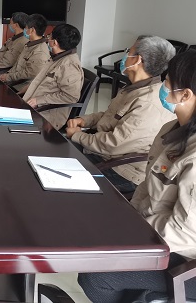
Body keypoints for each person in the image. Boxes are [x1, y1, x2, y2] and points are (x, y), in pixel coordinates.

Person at [78, 50, 196, 302]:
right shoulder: (171, 130)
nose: (162, 87)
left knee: (95, 276)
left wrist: (133, 234)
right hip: (155, 232)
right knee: (93, 234)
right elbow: (147, 185)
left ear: (185, 95)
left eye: (167, 82)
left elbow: (185, 232)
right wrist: (129, 220)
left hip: (185, 257)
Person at [66, 35, 176, 193]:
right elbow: (111, 115)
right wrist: (85, 120)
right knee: (57, 150)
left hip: (122, 170)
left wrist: (77, 135)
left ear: (137, 59)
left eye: (128, 51)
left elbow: (114, 144)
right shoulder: (135, 87)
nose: (125, 56)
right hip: (104, 153)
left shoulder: (148, 103)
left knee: (62, 170)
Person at [20, 23, 83, 130]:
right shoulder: (57, 57)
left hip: (46, 115)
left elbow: (71, 97)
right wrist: (28, 88)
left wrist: (39, 100)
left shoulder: (69, 66)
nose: (47, 39)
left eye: (49, 36)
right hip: (34, 107)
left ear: (54, 42)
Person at [0, 14, 50, 85]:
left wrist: (8, 77)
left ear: (32, 30)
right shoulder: (30, 45)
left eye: (26, 28)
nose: (24, 30)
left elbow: (29, 74)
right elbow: (17, 66)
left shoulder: (40, 52)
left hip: (20, 85)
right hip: (12, 78)